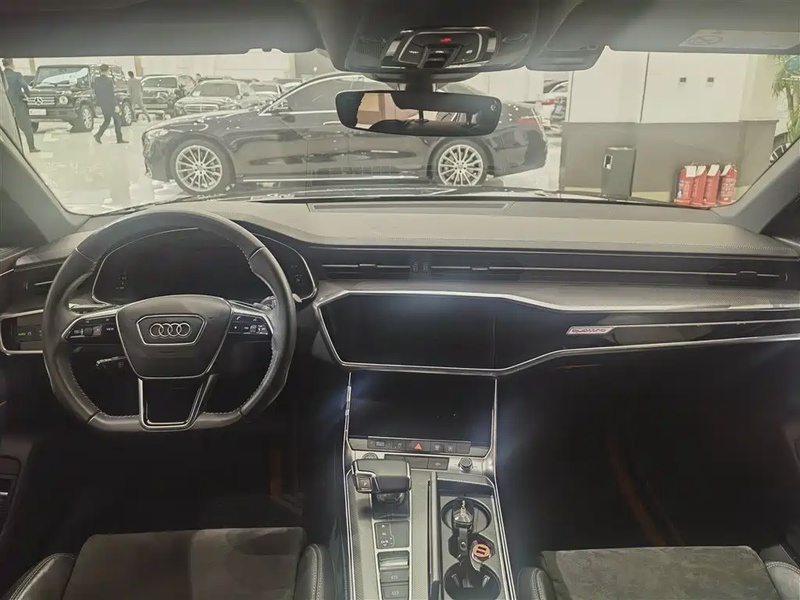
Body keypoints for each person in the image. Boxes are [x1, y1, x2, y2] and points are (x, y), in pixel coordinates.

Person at [2, 58, 39, 153]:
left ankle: (13, 150)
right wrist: (28, 95)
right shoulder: (17, 75)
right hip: (18, 104)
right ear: (12, 64)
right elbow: (24, 86)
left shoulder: (2, 76)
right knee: (27, 127)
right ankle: (31, 147)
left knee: (9, 129)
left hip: (6, 104)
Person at [93, 64, 126, 144]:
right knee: (117, 120)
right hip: (110, 104)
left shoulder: (96, 80)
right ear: (107, 70)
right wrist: (116, 105)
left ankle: (98, 135)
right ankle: (119, 139)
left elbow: (96, 92)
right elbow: (111, 94)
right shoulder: (108, 81)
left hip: (103, 104)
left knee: (107, 120)